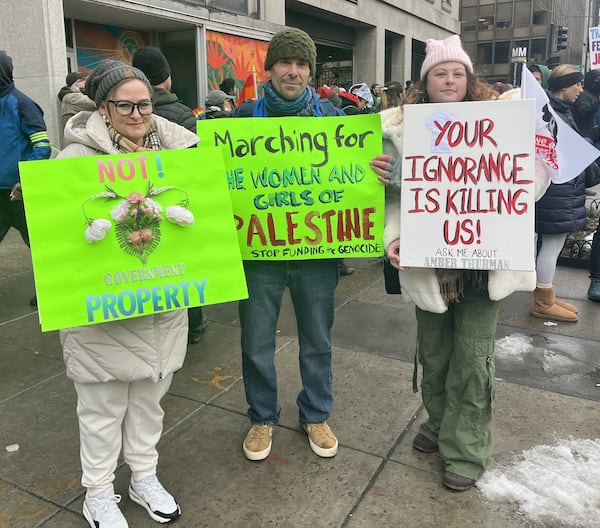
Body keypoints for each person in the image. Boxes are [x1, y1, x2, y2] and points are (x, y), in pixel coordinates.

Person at [369, 35, 550, 491]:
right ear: (425, 81)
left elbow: (532, 186)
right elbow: (393, 201)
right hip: (430, 265)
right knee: (434, 355)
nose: (448, 81)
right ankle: (440, 422)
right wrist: (393, 237)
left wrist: (520, 164)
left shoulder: (505, 120)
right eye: (439, 73)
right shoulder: (400, 129)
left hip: (484, 266)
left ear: (468, 78)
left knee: (472, 359)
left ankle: (466, 451)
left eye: (456, 73)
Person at [58, 59, 199, 527]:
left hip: (161, 309)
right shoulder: (74, 162)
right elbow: (59, 234)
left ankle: (144, 476)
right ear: (103, 107)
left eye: (143, 103)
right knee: (101, 407)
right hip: (103, 312)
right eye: (125, 105)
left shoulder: (182, 156)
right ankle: (97, 492)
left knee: (148, 403)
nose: (137, 113)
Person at [233, 27, 341, 462]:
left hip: (317, 253)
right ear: (270, 67)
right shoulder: (242, 119)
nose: (292, 71)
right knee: (256, 338)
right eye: (285, 62)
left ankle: (315, 413)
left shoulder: (333, 119)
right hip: (260, 254)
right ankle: (262, 416)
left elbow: (353, 179)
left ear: (310, 72)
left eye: (301, 64)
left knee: (318, 338)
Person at [132, 45, 208, 343]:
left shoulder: (123, 116)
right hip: (176, 201)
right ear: (167, 77)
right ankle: (195, 323)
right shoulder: (183, 113)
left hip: (141, 202)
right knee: (182, 263)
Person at [533, 64, 587, 322]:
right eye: (577, 83)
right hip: (557, 191)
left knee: (552, 245)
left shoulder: (556, 111)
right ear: (563, 86)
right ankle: (543, 301)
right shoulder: (553, 114)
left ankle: (547, 295)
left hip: (560, 190)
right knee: (552, 246)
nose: (581, 89)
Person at [0, 50, 51, 306]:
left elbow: (42, 147)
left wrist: (24, 179)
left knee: (39, 244)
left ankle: (52, 289)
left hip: (19, 192)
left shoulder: (22, 103)